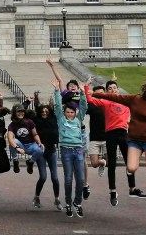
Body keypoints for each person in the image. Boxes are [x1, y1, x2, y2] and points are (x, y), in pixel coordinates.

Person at [91, 79, 146, 202]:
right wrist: (86, 90)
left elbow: (138, 109)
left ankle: (132, 188)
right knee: (112, 163)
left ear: (118, 89)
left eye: (114, 88)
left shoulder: (127, 102)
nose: (113, 90)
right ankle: (113, 191)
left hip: (124, 133)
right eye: (110, 89)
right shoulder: (106, 102)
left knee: (129, 163)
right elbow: (92, 100)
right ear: (107, 92)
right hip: (111, 134)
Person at [47, 59, 89, 199]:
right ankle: (75, 192)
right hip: (67, 129)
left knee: (82, 160)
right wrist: (52, 67)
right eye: (70, 85)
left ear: (77, 87)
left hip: (79, 129)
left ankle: (84, 184)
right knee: (72, 168)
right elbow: (59, 80)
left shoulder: (79, 95)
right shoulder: (66, 95)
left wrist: (85, 88)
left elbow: (84, 103)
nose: (72, 87)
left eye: (74, 85)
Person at [52, 77, 87, 218]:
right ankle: (68, 203)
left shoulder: (79, 119)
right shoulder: (61, 119)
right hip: (66, 150)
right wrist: (56, 90)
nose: (69, 114)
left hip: (78, 150)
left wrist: (83, 93)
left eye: (72, 112)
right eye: (68, 112)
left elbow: (84, 106)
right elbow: (57, 107)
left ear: (75, 113)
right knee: (68, 179)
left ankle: (77, 203)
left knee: (80, 178)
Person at [25, 90, 62, 211]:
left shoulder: (54, 119)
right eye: (43, 111)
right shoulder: (36, 120)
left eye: (46, 111)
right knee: (43, 177)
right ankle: (36, 197)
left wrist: (57, 95)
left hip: (51, 151)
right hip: (40, 151)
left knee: (55, 177)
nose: (44, 113)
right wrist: (29, 101)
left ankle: (57, 199)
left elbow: (59, 108)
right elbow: (23, 114)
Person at [7, 104, 44, 176]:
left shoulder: (29, 122)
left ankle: (30, 162)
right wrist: (17, 148)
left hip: (31, 145)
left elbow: (35, 134)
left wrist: (39, 143)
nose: (21, 113)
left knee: (41, 149)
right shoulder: (12, 125)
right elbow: (10, 138)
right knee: (13, 141)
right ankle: (15, 160)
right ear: (15, 113)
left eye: (22, 111)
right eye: (18, 112)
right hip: (21, 146)